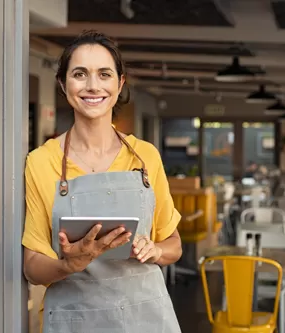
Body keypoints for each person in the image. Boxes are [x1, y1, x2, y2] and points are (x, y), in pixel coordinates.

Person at [22, 31, 182, 333]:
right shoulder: (42, 162)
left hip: (146, 318)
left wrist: (156, 251)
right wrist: (69, 264)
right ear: (63, 84)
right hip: (75, 320)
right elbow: (32, 266)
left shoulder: (146, 156)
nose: (92, 86)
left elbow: (173, 244)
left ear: (119, 84)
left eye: (104, 74)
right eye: (79, 74)